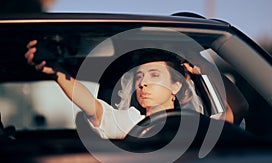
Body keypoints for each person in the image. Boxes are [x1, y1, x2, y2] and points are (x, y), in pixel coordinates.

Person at [25, 40, 204, 139]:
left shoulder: (198, 124)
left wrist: (206, 69)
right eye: (139, 76)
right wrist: (57, 72)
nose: (143, 83)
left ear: (176, 85)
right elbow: (92, 107)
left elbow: (231, 115)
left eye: (154, 75)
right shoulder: (127, 120)